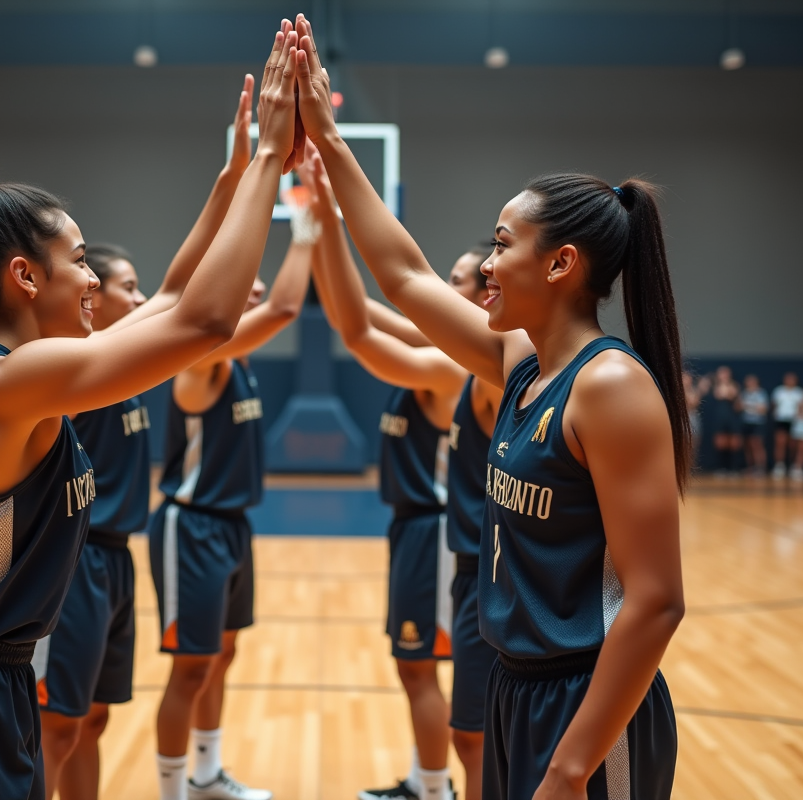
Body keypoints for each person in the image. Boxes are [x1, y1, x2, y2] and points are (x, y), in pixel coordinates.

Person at [0, 33, 302, 799]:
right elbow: (204, 323)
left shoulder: (33, 376)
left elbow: (180, 302)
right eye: (80, 260)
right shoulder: (9, 380)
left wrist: (228, 184)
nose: (94, 279)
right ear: (25, 276)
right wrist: (267, 167)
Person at [292, 15, 687, 798]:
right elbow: (402, 277)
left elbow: (657, 600)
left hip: (585, 705)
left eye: (502, 245)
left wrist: (573, 766)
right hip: (515, 688)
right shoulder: (519, 362)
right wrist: (327, 145)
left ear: (563, 263)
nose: (488, 266)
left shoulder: (610, 386)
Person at [35, 81, 256, 800]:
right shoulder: (61, 369)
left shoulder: (115, 362)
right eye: (104, 277)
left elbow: (170, 294)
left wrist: (234, 177)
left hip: (115, 561)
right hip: (68, 569)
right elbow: (187, 306)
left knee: (91, 722)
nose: (123, 288)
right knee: (54, 729)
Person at [148, 29, 312, 797]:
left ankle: (209, 773)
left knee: (222, 656)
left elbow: (274, 303)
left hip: (233, 525)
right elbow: (269, 303)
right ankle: (174, 786)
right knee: (189, 666)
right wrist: (277, 193)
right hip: (192, 524)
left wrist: (299, 207)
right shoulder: (204, 361)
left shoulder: (235, 363)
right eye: (233, 283)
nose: (244, 291)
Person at [301, 146, 490, 800]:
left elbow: (354, 329)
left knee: (424, 673)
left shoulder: (451, 368)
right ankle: (427, 778)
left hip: (439, 535)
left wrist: (328, 214)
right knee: (420, 673)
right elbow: (345, 308)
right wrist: (321, 217)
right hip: (419, 533)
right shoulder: (430, 348)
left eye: (460, 280)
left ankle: (435, 786)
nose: (448, 283)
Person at [771, 372, 803, 480]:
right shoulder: (778, 391)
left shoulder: (799, 393)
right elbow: (773, 405)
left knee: (793, 444)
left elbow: (802, 407)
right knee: (780, 443)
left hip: (795, 421)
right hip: (781, 420)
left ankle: (794, 467)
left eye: (792, 379)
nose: (789, 381)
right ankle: (779, 466)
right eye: (787, 379)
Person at [709, 366, 741, 476]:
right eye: (721, 373)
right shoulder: (716, 385)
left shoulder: (735, 385)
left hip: (731, 416)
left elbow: (733, 395)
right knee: (720, 442)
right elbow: (719, 394)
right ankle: (721, 468)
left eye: (725, 373)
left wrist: (727, 392)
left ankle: (733, 469)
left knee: (733, 443)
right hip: (720, 416)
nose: (723, 375)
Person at [739, 374, 769, 477]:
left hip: (758, 422)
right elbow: (739, 407)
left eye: (752, 381)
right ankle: (751, 467)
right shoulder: (744, 393)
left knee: (757, 445)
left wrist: (748, 406)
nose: (749, 383)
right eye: (748, 381)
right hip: (746, 422)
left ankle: (761, 468)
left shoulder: (761, 393)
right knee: (748, 446)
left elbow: (763, 409)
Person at [682, 371, 709, 468]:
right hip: (682, 419)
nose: (686, 381)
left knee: (694, 443)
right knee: (683, 444)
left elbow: (694, 403)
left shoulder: (694, 391)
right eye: (684, 379)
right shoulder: (678, 392)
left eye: (688, 379)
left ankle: (691, 467)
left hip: (693, 418)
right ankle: (682, 467)